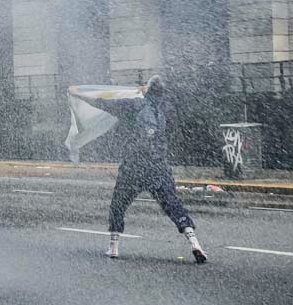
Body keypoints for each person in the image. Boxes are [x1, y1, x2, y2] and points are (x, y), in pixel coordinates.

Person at [69, 75, 207, 264]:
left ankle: (114, 247)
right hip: (159, 166)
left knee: (118, 204)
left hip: (133, 166)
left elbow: (104, 103)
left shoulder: (133, 106)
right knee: (173, 206)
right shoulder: (166, 108)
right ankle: (195, 244)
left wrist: (79, 94)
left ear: (148, 90)